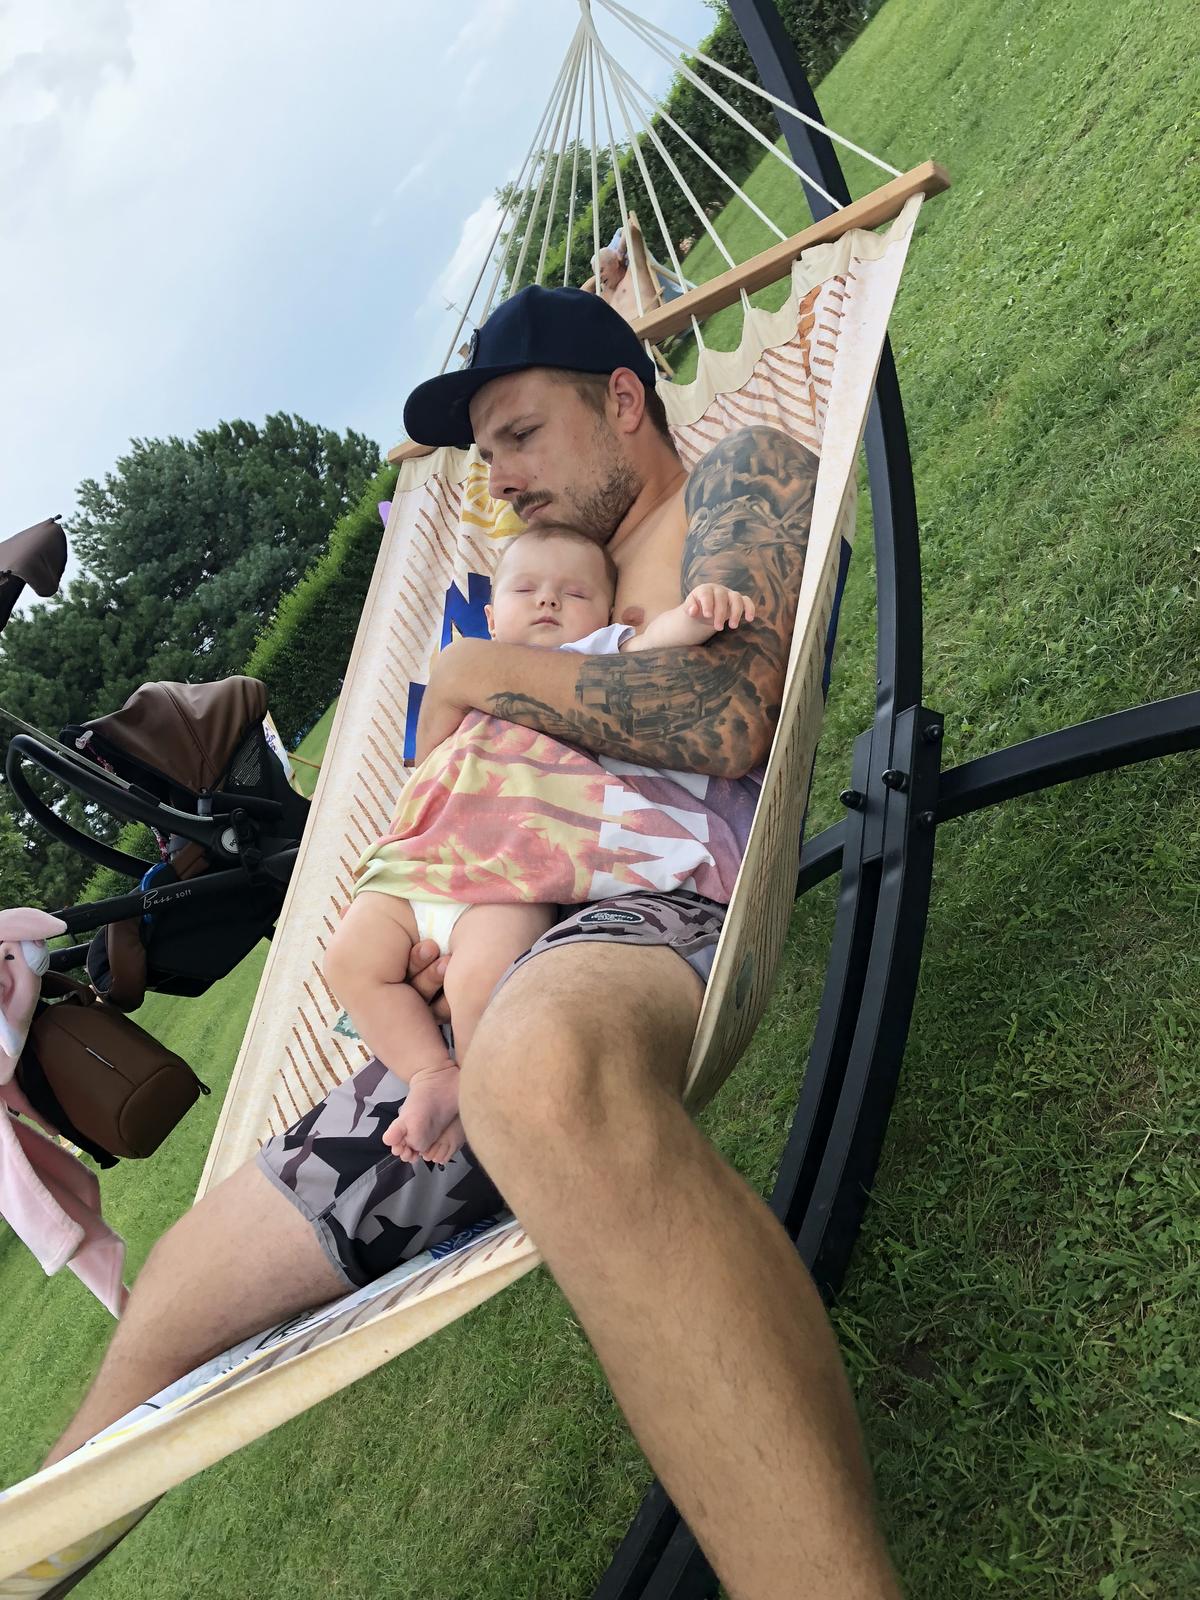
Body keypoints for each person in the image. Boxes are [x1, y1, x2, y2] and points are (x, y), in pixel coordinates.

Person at [45, 286, 901, 1600]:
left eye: (519, 436)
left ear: (624, 402)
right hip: (458, 1005)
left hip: (643, 911)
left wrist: (467, 675)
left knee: (536, 1070)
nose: (496, 480)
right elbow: (440, 803)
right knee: (173, 1295)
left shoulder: (741, 473)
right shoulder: (530, 594)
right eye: (485, 454)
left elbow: (722, 716)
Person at [324, 524, 755, 1166]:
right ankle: (430, 1073)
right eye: (526, 589)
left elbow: (652, 643)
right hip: (421, 866)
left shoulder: (592, 657)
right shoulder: (473, 673)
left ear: (607, 616)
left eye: (574, 593)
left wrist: (696, 614)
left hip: (512, 876)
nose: (549, 600)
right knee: (348, 962)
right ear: (491, 617)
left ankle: (486, 1099)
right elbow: (427, 768)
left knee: (481, 983)